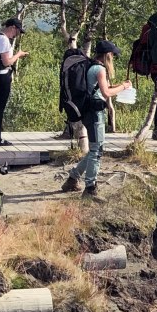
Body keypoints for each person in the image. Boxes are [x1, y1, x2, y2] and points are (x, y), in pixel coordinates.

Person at [62, 40, 132, 197]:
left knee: (94, 149)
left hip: (89, 111)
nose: (114, 57)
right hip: (94, 113)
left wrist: (119, 85)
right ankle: (90, 188)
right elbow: (106, 94)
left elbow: (102, 89)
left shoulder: (91, 66)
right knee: (97, 151)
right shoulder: (100, 69)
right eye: (113, 55)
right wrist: (124, 87)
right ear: (107, 55)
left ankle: (73, 178)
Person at [0, 18, 29, 146]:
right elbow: (6, 62)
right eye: (18, 31)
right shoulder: (3, 39)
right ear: (13, 27)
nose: (17, 34)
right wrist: (18, 55)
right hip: (2, 78)